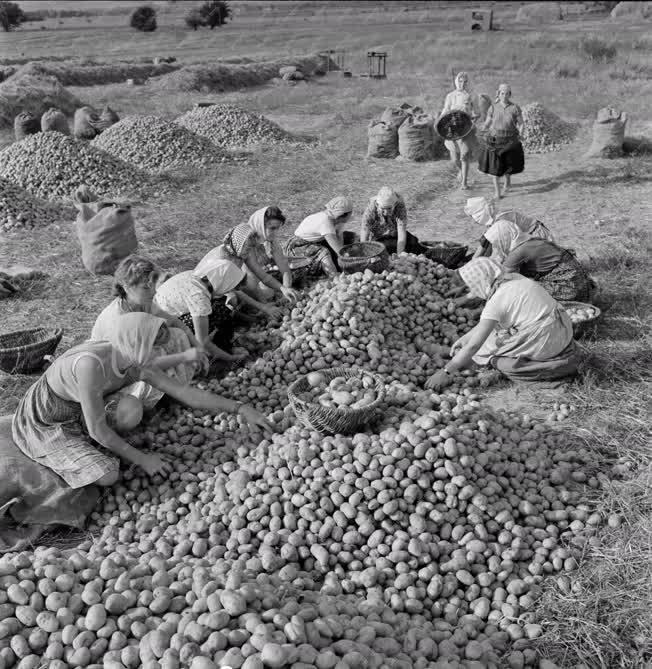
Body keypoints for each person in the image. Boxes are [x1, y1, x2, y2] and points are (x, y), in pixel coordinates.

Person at [12, 313, 272, 491]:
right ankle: (59, 453)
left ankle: (91, 447)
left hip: (84, 408)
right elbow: (97, 429)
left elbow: (186, 394)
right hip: (49, 417)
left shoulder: (135, 360)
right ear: (135, 342)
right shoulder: (90, 364)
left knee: (130, 410)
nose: (159, 352)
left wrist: (239, 407)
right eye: (154, 345)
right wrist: (142, 459)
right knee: (108, 474)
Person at [425, 258, 579, 389]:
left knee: (501, 363)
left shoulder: (496, 300)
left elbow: (474, 345)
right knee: (493, 339)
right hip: (561, 329)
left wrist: (445, 372)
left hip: (546, 338)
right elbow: (484, 329)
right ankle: (461, 357)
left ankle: (549, 374)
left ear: (480, 282)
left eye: (471, 286)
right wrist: (465, 337)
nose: (471, 291)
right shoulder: (513, 279)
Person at [91, 255, 208, 408]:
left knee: (176, 336)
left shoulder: (143, 303)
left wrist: (198, 347)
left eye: (152, 284)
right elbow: (138, 367)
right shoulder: (119, 319)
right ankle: (153, 403)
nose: (153, 291)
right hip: (114, 375)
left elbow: (175, 322)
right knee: (155, 366)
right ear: (126, 287)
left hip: (138, 358)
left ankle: (177, 392)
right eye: (145, 287)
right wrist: (185, 356)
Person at [153, 259, 250, 363]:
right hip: (161, 331)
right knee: (220, 311)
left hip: (159, 314)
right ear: (224, 282)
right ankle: (212, 351)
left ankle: (224, 344)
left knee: (220, 304)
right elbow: (202, 341)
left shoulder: (195, 276)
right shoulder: (199, 297)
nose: (229, 291)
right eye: (230, 288)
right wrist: (230, 358)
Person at [213, 206, 300, 304]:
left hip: (253, 277)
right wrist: (264, 306)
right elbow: (253, 277)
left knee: (270, 292)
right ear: (260, 226)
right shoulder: (245, 243)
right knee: (265, 294)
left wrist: (285, 290)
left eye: (278, 228)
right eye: (272, 228)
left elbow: (284, 268)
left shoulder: (271, 241)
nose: (276, 232)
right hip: (237, 280)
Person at [464, 196, 555, 264]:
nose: (474, 221)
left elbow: (498, 253)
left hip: (538, 238)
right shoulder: (496, 215)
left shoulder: (502, 221)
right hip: (531, 235)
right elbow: (486, 239)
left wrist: (474, 262)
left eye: (474, 217)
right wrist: (474, 259)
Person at [503, 238, 597, 302]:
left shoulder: (519, 251)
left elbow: (505, 277)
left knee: (520, 288)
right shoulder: (530, 241)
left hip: (570, 291)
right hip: (581, 287)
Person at [285, 196, 353, 277]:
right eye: (350, 213)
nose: (351, 215)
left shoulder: (336, 220)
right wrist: (349, 259)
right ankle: (333, 276)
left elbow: (340, 241)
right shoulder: (325, 221)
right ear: (344, 214)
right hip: (296, 247)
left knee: (347, 238)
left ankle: (336, 269)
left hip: (312, 242)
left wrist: (343, 255)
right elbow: (338, 250)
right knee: (323, 251)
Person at [478, 83, 524, 199]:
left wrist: (521, 134)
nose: (504, 95)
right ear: (499, 93)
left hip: (510, 141)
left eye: (507, 93)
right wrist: (483, 128)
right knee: (495, 168)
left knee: (507, 165)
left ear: (510, 94)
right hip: (494, 140)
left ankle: (507, 180)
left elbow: (521, 123)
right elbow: (488, 122)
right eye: (502, 93)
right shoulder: (493, 107)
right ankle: (497, 193)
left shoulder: (515, 108)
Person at [439, 71, 479, 190]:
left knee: (464, 155)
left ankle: (464, 183)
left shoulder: (472, 96)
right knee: (455, 159)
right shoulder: (450, 96)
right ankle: (461, 171)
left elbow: (477, 113)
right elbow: (445, 110)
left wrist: (474, 118)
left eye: (465, 81)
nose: (463, 84)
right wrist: (440, 122)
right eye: (460, 81)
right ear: (456, 82)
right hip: (453, 130)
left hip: (466, 129)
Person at [360, 187, 425, 255]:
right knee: (385, 248)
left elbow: (401, 231)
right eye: (383, 209)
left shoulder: (399, 206)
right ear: (377, 205)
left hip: (393, 233)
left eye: (389, 208)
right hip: (378, 237)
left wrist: (400, 255)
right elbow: (365, 230)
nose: (386, 212)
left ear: (395, 204)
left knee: (413, 242)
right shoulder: (371, 209)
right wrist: (364, 252)